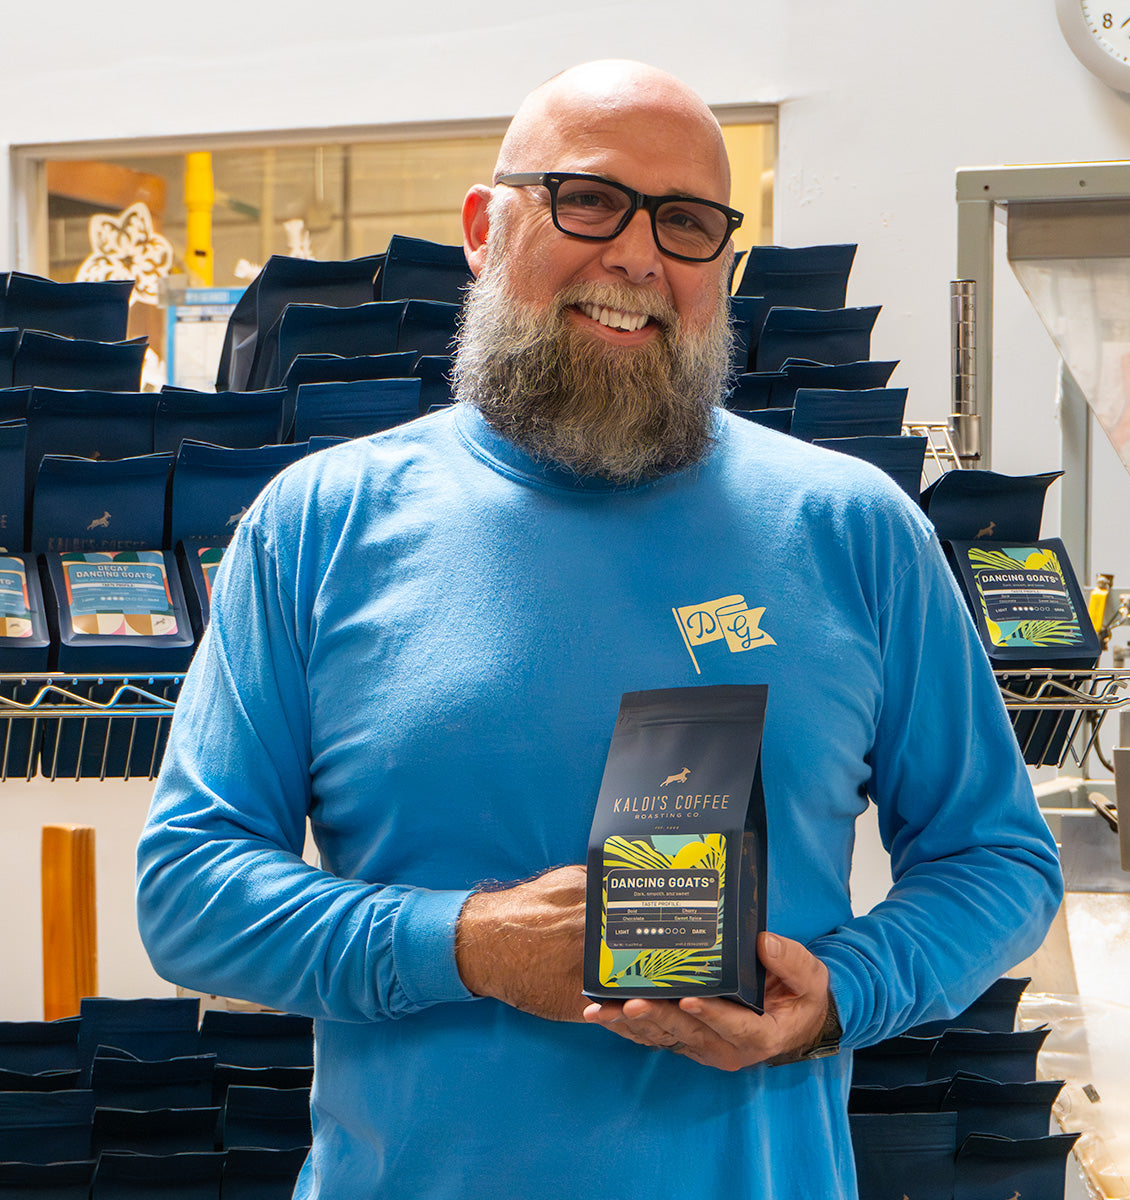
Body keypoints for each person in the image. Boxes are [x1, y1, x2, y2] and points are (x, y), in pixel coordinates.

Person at [137, 59, 1063, 1200]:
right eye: (588, 200)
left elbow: (999, 861)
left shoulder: (854, 530)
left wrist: (843, 996)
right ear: (484, 228)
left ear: (721, 267)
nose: (636, 256)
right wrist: (465, 942)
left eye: (686, 224)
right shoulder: (318, 527)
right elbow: (188, 889)